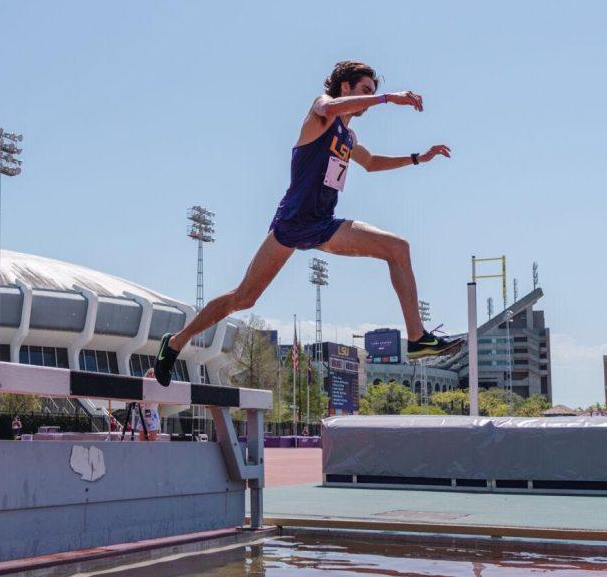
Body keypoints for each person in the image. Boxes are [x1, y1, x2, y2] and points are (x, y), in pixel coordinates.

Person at [154, 60, 463, 385]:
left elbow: (370, 163)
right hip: (292, 222)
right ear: (345, 87)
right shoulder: (321, 112)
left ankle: (417, 338)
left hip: (324, 225)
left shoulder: (348, 136)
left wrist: (417, 158)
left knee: (398, 248)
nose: (369, 99)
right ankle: (175, 342)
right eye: (364, 91)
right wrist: (388, 98)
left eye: (372, 92)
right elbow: (329, 107)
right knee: (243, 298)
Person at [132, 371, 163, 441]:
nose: (152, 375)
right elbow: (140, 403)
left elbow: (161, 403)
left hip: (153, 413)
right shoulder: (143, 387)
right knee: (141, 439)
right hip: (144, 413)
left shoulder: (159, 387)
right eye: (150, 373)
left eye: (154, 374)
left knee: (152, 439)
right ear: (147, 375)